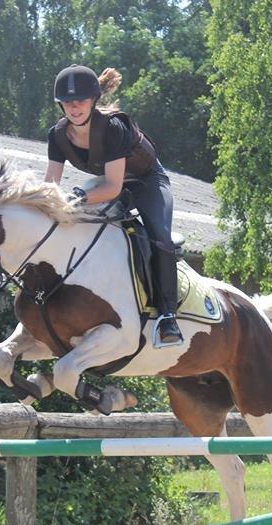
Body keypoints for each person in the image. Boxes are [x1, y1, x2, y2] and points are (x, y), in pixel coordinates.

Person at [45, 64, 183, 348]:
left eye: (81, 101)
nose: (74, 108)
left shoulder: (112, 128)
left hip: (145, 181)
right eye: (68, 102)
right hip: (108, 181)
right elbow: (51, 187)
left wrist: (76, 199)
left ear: (94, 100)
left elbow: (113, 188)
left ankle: (168, 315)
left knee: (160, 235)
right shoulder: (56, 136)